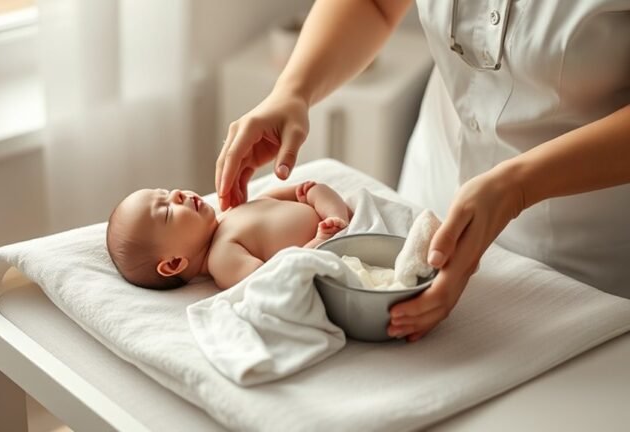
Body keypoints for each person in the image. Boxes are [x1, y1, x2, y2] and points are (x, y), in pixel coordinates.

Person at [215, 0, 630, 342]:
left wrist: (519, 186)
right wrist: (294, 90)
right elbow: (376, 5)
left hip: (583, 265)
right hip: (420, 212)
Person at [106, 181, 351, 290]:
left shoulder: (229, 212)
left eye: (167, 192)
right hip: (328, 249)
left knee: (317, 189)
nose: (177, 194)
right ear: (173, 263)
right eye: (167, 211)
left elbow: (285, 195)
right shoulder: (222, 258)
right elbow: (277, 277)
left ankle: (343, 221)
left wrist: (306, 192)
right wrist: (318, 242)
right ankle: (341, 230)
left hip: (334, 218)